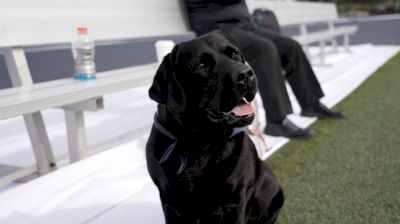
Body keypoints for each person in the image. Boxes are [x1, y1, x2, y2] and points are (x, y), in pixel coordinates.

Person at [184, 0, 344, 138]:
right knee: (264, 49)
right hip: (215, 27)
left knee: (290, 46)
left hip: (243, 25)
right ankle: (277, 121)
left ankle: (311, 103)